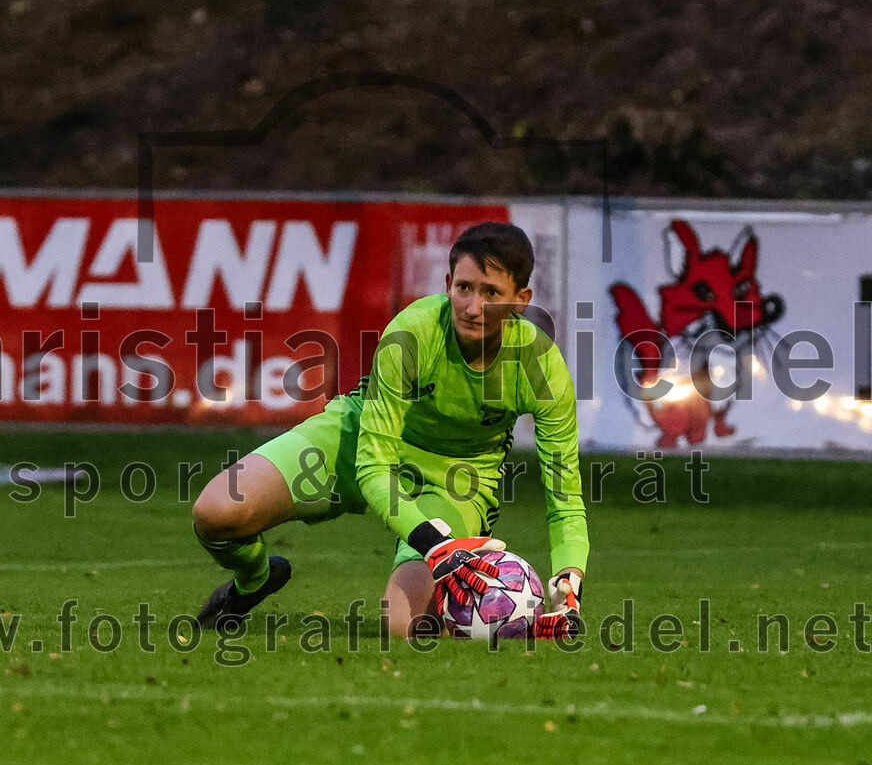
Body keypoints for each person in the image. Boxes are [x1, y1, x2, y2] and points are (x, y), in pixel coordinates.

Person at [192, 222, 589, 638]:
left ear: (521, 300)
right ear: (448, 284)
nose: (473, 307)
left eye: (491, 293)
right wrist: (434, 543)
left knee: (404, 626)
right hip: (359, 438)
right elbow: (372, 465)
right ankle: (254, 579)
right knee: (216, 512)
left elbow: (565, 498)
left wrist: (570, 578)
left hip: (457, 479)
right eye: (464, 288)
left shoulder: (541, 368)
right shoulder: (412, 332)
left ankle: (500, 617)